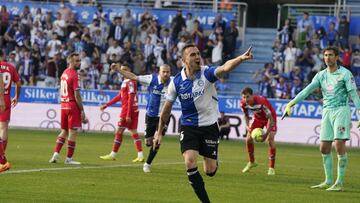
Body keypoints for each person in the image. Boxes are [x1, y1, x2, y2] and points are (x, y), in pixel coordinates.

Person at [153, 44, 253, 202]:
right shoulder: (176, 82)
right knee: (190, 161)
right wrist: (159, 132)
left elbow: (225, 68)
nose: (197, 57)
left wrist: (240, 58)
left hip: (209, 127)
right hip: (189, 127)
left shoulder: (207, 72)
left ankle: (213, 159)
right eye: (192, 54)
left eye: (198, 53)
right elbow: (166, 109)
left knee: (210, 171)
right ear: (184, 60)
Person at [283, 46, 360, 191]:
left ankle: (340, 182)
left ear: (337, 57)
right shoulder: (321, 75)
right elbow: (307, 91)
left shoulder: (345, 74)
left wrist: (359, 110)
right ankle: (328, 180)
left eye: (331, 55)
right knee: (324, 148)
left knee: (338, 144)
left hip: (341, 110)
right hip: (327, 111)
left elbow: (354, 94)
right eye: (325, 55)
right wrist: (291, 103)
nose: (327, 58)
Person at [112, 64, 172, 173]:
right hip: (151, 115)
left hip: (164, 116)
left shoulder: (173, 82)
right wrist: (118, 70)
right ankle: (150, 146)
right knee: (148, 142)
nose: (166, 74)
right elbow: (133, 76)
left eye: (168, 72)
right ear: (159, 72)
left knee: (157, 140)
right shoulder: (151, 79)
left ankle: (147, 163)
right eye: (164, 72)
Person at [99, 63, 144, 162]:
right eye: (121, 69)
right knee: (133, 131)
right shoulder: (125, 82)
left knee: (119, 131)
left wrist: (128, 114)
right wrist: (106, 105)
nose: (122, 71)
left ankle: (113, 154)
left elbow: (131, 98)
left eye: (125, 69)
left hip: (128, 109)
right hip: (134, 109)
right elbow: (119, 97)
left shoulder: (130, 82)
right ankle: (140, 155)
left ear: (129, 71)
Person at [49, 53, 87, 165]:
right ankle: (69, 159)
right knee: (72, 132)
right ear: (70, 61)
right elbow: (77, 95)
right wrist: (82, 110)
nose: (79, 63)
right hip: (72, 105)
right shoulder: (74, 75)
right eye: (76, 61)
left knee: (64, 131)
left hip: (64, 105)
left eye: (79, 60)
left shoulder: (64, 73)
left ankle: (55, 154)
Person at [240, 87, 277, 175]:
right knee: (248, 139)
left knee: (270, 139)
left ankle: (271, 168)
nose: (246, 99)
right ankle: (252, 162)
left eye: (248, 97)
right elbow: (246, 115)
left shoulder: (261, 102)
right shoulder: (243, 103)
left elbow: (270, 119)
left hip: (270, 118)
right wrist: (247, 126)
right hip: (258, 118)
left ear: (252, 96)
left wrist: (266, 135)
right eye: (244, 97)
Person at [0, 49, 21, 173]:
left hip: (1, 97)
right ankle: (2, 155)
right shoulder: (10, 67)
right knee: (3, 129)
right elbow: (18, 83)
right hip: (7, 98)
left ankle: (2, 158)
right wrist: (16, 97)